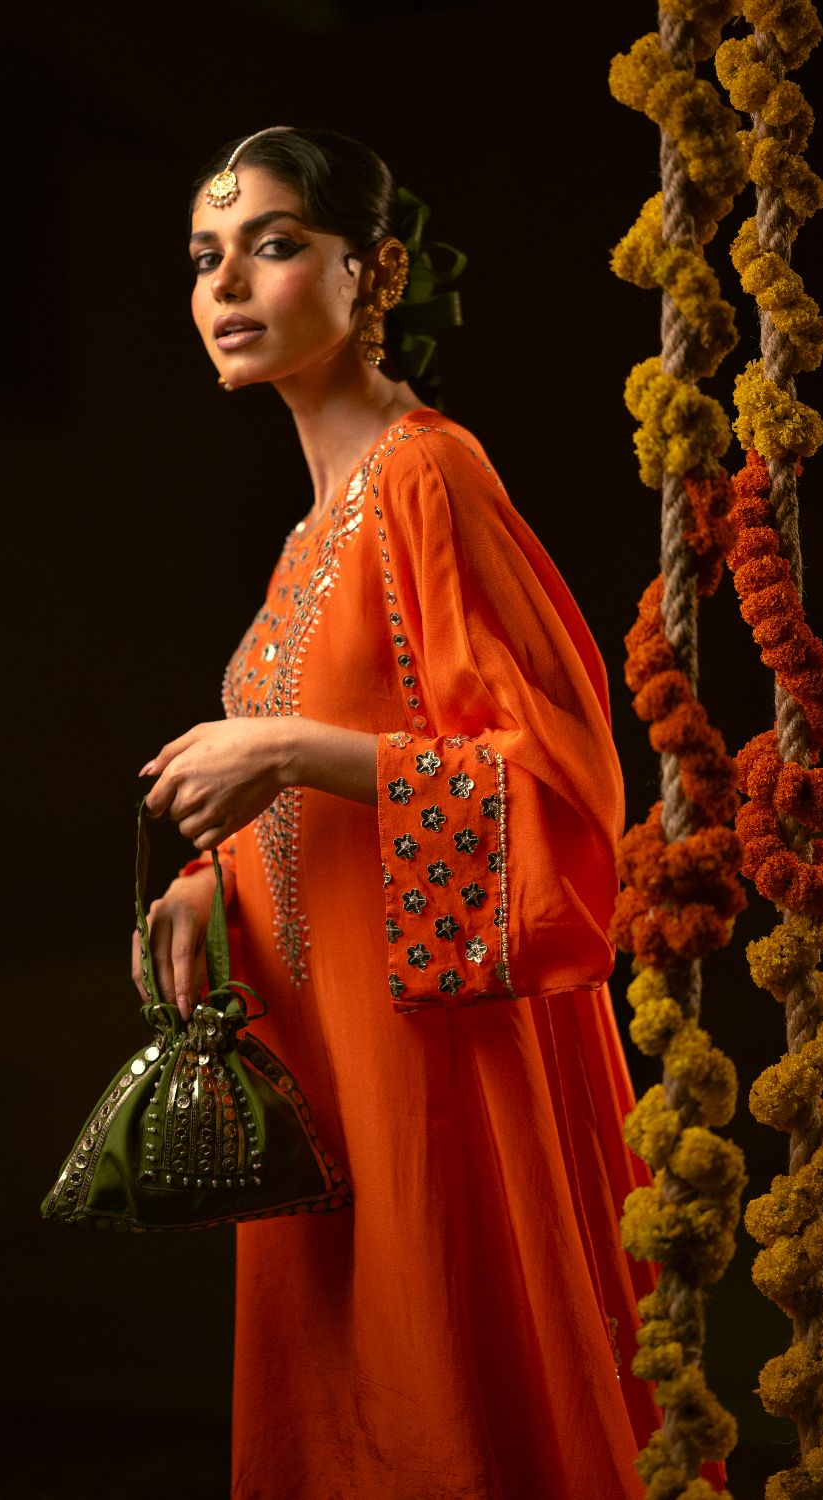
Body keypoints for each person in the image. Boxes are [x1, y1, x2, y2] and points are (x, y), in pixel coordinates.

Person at [134, 125, 658, 1500]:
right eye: (204, 255)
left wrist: (292, 748)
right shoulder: (308, 536)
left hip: (427, 1060)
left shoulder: (429, 473)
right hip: (317, 1051)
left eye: (273, 244)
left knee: (439, 1400)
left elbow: (556, 776)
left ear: (375, 272)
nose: (225, 283)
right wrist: (210, 887)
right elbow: (315, 805)